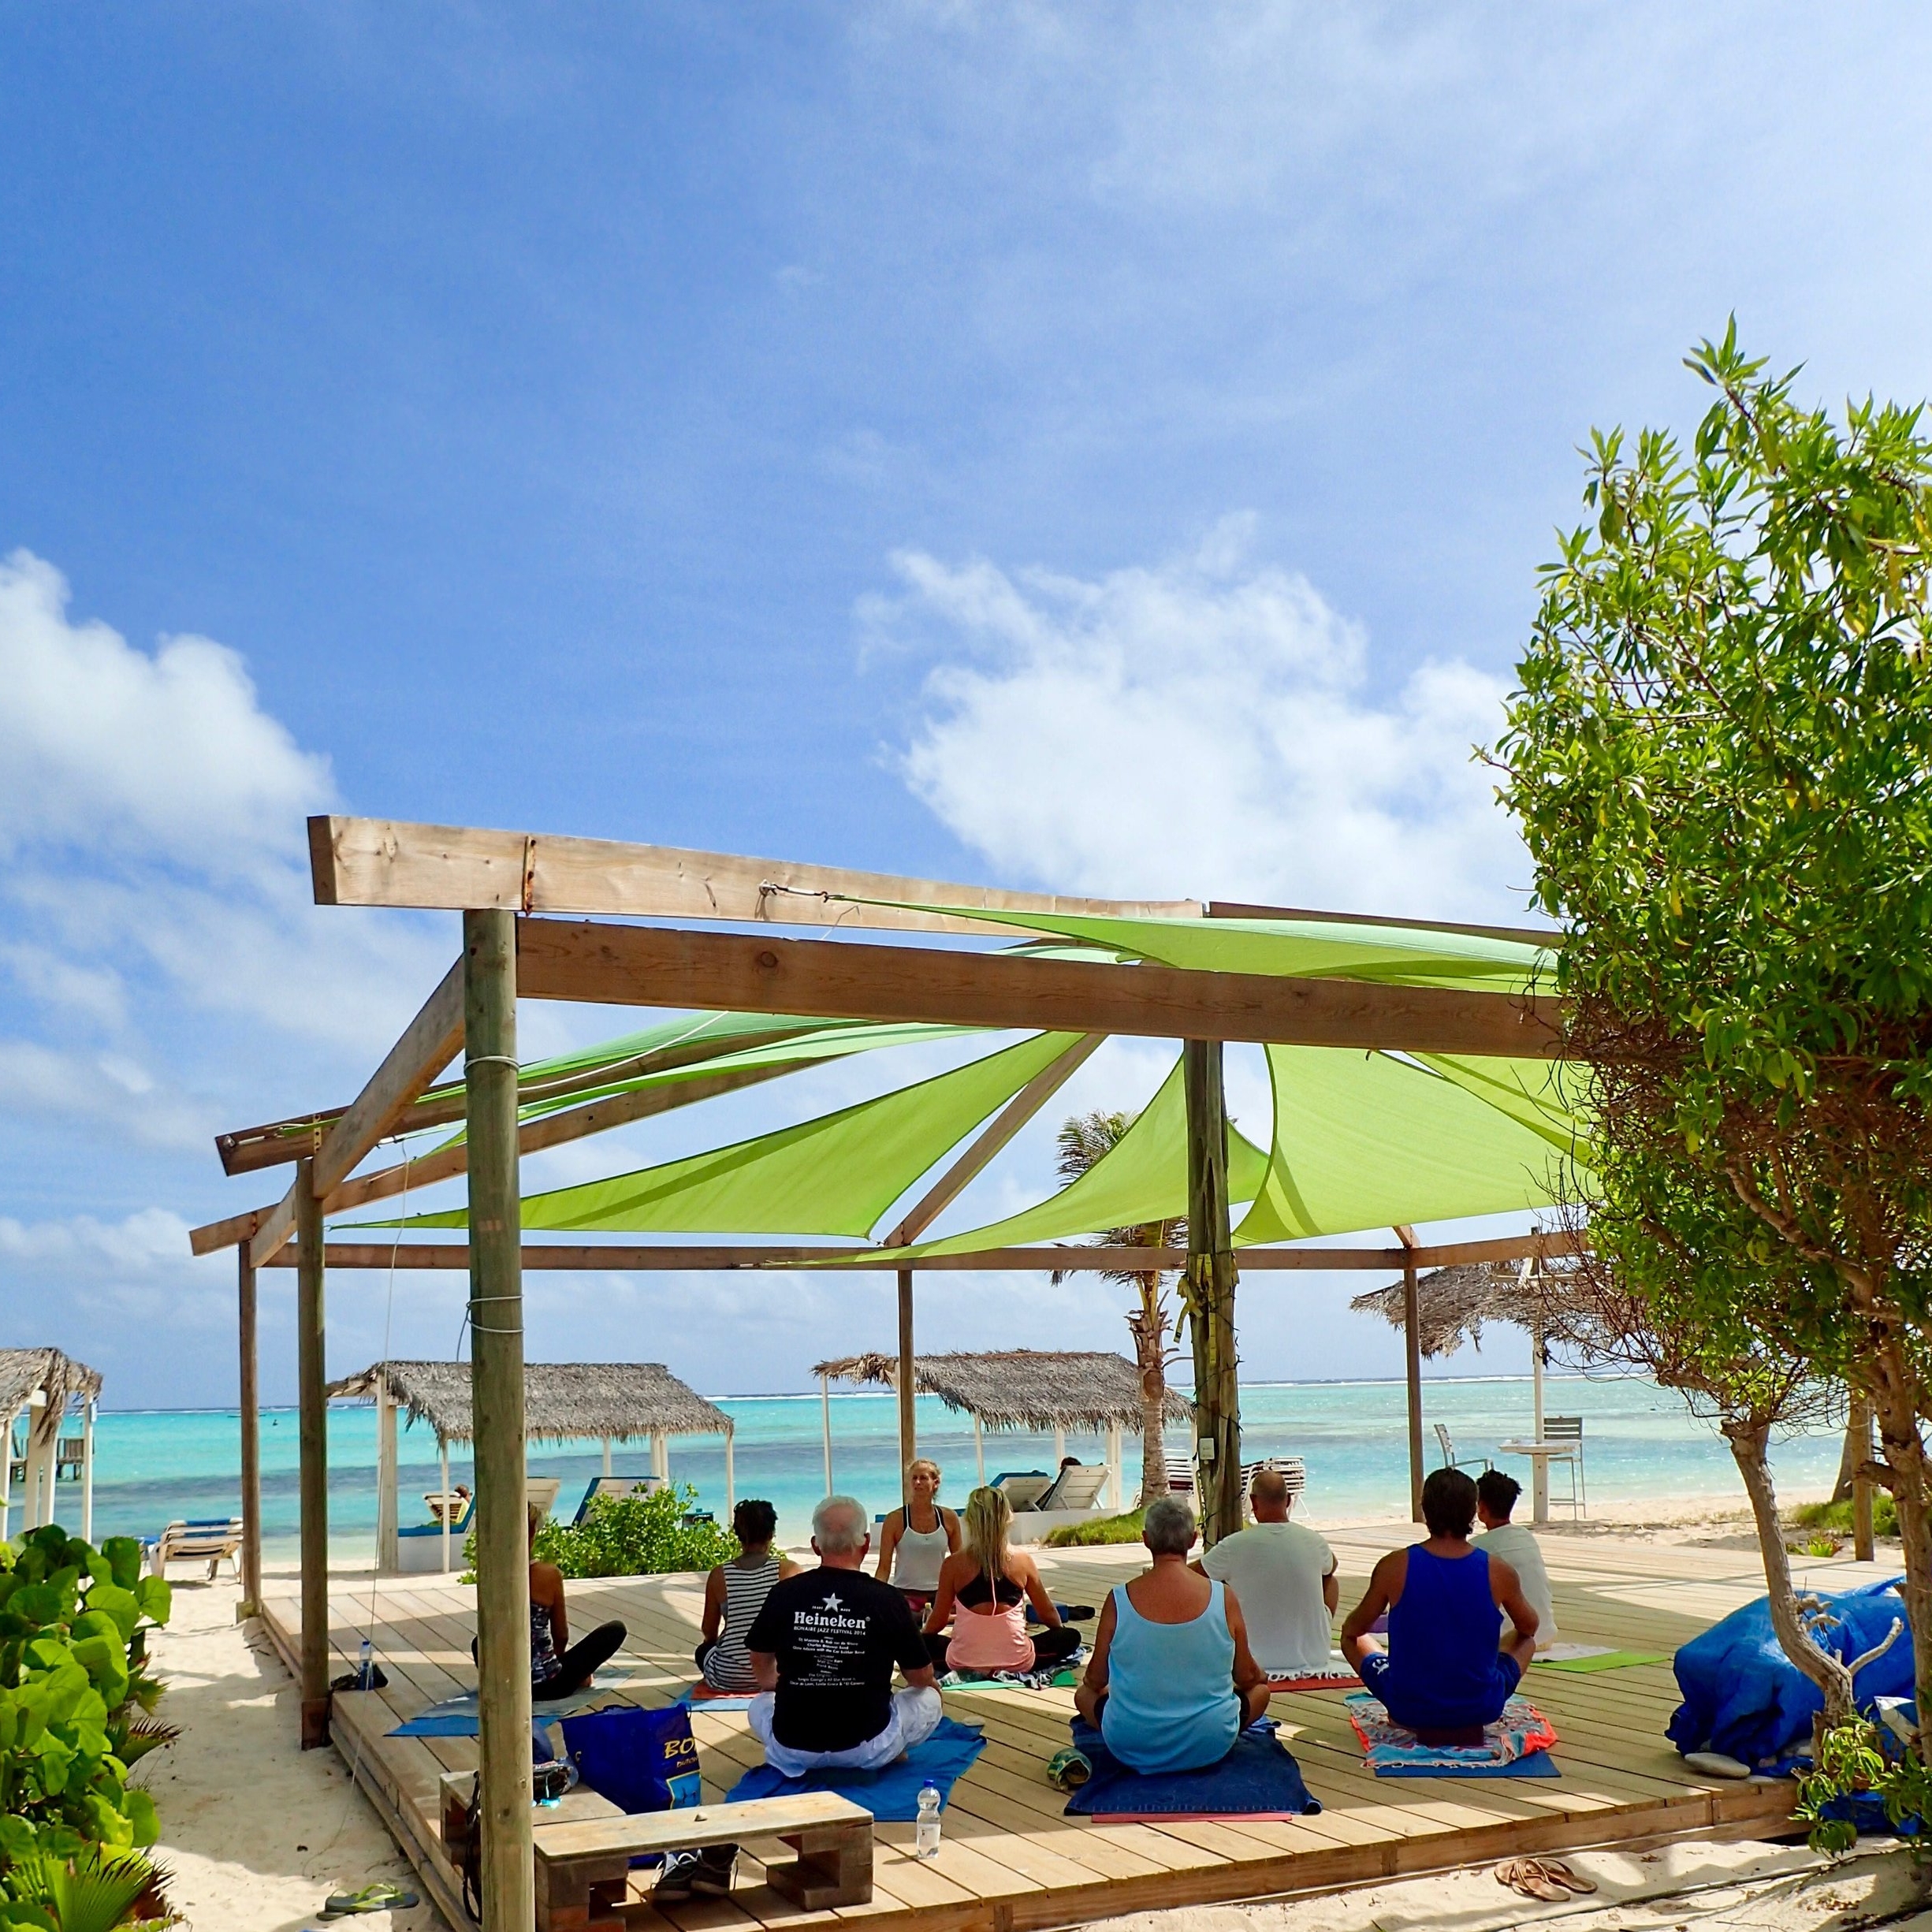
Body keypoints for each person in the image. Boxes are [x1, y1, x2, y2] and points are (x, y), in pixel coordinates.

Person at [745, 1494, 944, 1775]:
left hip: (793, 1748)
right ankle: (891, 1751)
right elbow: (920, 1677)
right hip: (867, 1746)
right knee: (930, 1698)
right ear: (864, 1543)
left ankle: (805, 1757)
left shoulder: (785, 1593)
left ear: (816, 1546)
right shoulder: (886, 1599)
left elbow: (759, 1658)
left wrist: (780, 1686)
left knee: (760, 1704)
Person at [1340, 1467, 1539, 1746]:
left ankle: (1407, 1701)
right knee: (1525, 1639)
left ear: (1425, 1509)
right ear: (1473, 1512)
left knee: (1354, 1638)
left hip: (1409, 1706)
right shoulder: (1498, 1570)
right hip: (1481, 1706)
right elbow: (1530, 1627)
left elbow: (1353, 1628)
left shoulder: (1394, 1566)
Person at [1074, 1495, 1270, 1774]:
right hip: (1210, 1740)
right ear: (1193, 1539)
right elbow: (1246, 1677)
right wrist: (1258, 1677)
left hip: (1132, 1741)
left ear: (1146, 1539)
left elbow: (1095, 1680)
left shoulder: (1118, 1600)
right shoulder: (1222, 1597)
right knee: (1260, 1692)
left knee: (1083, 1696)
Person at [1192, 1468, 1338, 1677]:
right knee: (1331, 1581)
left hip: (1254, 1658)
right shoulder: (1313, 1540)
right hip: (1315, 1657)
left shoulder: (1235, 1545)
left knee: (1218, 1589)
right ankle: (1310, 1637)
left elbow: (1192, 1575)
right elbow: (1331, 1567)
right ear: (1288, 1500)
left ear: (1253, 1501)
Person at [471, 1505, 627, 1700]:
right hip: (548, 1685)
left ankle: (500, 1683)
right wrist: (562, 1664)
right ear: (531, 1532)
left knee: (480, 1641)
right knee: (615, 1630)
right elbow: (561, 1635)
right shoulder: (548, 1575)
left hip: (505, 1685)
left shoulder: (489, 1575)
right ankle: (566, 1674)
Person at [923, 1486, 1080, 1673]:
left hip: (963, 1662)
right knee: (1071, 1637)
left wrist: (920, 1642)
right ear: (1007, 1518)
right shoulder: (1023, 1561)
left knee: (919, 1643)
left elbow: (938, 1621)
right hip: (1018, 1662)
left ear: (971, 1520)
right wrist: (1058, 1632)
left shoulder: (953, 1564)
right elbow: (1047, 1613)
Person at [696, 1499, 800, 1692]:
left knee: (703, 1651)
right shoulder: (789, 1570)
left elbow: (708, 1630)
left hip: (729, 1677)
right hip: (778, 1674)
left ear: (738, 1535)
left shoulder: (720, 1575)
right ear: (771, 1534)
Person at [1475, 1470, 1559, 1651]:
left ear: (1481, 1508)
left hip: (1513, 1640)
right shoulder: (1525, 1536)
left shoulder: (1479, 1547)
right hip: (1546, 1633)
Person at [875, 1459, 960, 1613]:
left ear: (936, 1482)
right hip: (905, 1596)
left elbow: (960, 1561)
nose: (918, 1482)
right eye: (914, 1478)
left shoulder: (949, 1518)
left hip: (941, 1596)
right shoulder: (895, 1519)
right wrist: (874, 1597)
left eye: (923, 1478)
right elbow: (884, 1567)